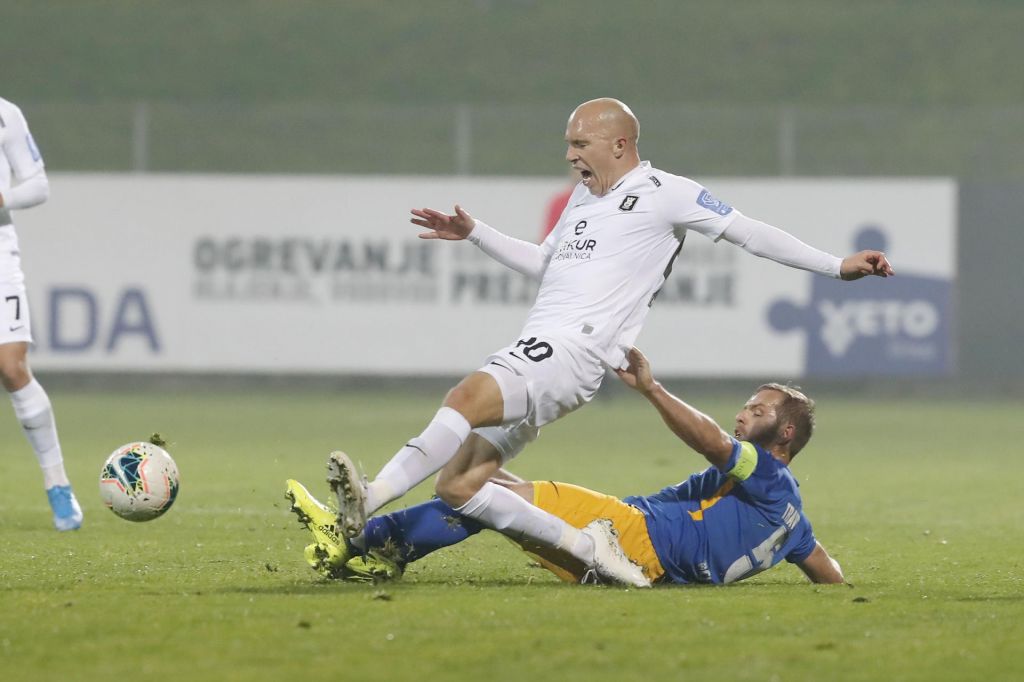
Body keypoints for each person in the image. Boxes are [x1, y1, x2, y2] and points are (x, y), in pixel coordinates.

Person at [326, 97, 890, 586]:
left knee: (465, 398)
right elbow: (544, 263)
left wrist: (837, 266)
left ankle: (370, 499)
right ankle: (590, 552)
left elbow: (750, 232)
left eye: (580, 143)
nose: (570, 155)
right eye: (567, 144)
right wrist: (476, 234)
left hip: (576, 349)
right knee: (461, 482)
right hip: (544, 341)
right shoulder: (583, 198)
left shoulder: (666, 192)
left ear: (619, 143)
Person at [285, 347, 844, 586]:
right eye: (748, 403)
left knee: (460, 481)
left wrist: (652, 390)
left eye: (759, 409)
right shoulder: (792, 521)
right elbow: (828, 572)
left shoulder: (768, 474)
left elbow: (710, 441)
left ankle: (356, 534)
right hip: (640, 555)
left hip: (627, 542)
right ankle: (374, 549)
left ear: (785, 434)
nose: (745, 413)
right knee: (488, 491)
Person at [0, 97, 82, 531]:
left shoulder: (5, 114)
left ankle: (57, 483)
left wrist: (2, 195)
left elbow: (37, 184)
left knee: (11, 368)